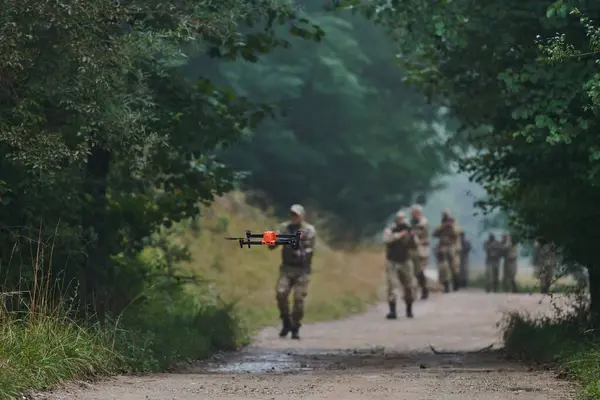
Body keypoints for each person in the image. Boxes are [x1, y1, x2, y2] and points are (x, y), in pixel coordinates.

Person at [270, 204, 316, 339]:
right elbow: (273, 243)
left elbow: (311, 249)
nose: (294, 217)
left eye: (296, 215)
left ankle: (295, 326)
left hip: (302, 270)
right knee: (281, 293)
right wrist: (272, 240)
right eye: (292, 214)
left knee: (298, 299)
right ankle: (286, 321)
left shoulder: (308, 230)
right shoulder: (284, 228)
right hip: (287, 268)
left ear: (302, 216)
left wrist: (300, 252)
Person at [383, 211, 417, 319]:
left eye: (402, 219)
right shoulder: (390, 230)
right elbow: (387, 240)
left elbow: (415, 245)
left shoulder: (409, 230)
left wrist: (411, 235)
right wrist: (399, 234)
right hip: (392, 261)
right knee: (392, 286)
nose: (401, 221)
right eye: (399, 219)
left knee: (409, 286)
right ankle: (392, 311)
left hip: (405, 261)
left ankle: (409, 310)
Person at [432, 210, 460, 292]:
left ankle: (456, 283)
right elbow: (434, 234)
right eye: (444, 215)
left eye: (447, 215)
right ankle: (446, 285)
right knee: (444, 267)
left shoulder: (454, 224)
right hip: (443, 247)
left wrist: (451, 226)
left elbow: (457, 233)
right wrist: (443, 226)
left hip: (452, 247)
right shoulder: (441, 224)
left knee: (454, 267)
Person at [409, 204, 430, 300]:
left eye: (417, 212)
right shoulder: (410, 222)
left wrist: (411, 232)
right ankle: (413, 291)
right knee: (411, 271)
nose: (416, 214)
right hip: (412, 250)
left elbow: (419, 231)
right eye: (414, 213)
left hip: (422, 249)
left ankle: (424, 288)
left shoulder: (423, 222)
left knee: (420, 271)